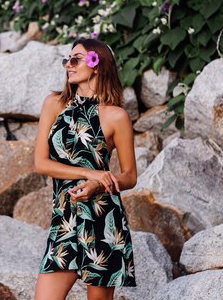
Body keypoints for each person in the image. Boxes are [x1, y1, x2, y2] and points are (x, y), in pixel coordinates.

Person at [33, 37, 137, 300]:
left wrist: (98, 184)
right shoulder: (54, 104)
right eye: (67, 59)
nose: (68, 64)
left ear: (96, 65)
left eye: (75, 59)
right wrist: (90, 174)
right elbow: (41, 163)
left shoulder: (116, 116)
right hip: (64, 221)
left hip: (103, 221)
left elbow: (130, 176)